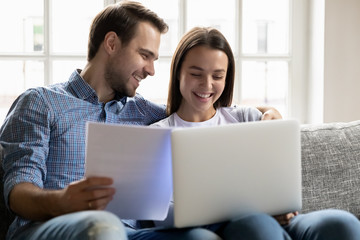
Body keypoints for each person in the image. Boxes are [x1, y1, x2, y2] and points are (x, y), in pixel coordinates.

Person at [0, 2, 282, 240]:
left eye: (155, 59)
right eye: (144, 55)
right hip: (50, 226)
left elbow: (204, 109)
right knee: (104, 227)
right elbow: (18, 192)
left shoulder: (146, 113)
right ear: (111, 43)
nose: (150, 70)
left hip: (133, 233)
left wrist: (266, 112)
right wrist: (62, 202)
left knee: (200, 237)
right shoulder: (41, 102)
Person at [151, 27, 360, 240]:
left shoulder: (244, 118)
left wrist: (280, 204)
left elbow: (278, 173)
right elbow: (157, 214)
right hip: (228, 227)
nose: (207, 85)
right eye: (196, 74)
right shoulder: (157, 135)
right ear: (178, 72)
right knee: (258, 227)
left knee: (342, 223)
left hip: (280, 219)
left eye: (218, 76)